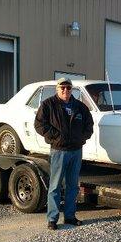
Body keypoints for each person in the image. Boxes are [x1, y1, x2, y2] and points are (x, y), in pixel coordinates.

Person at [34, 78, 93, 230]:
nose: (65, 90)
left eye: (68, 87)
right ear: (57, 89)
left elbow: (89, 125)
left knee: (72, 186)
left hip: (76, 151)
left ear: (71, 89)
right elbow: (39, 124)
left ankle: (70, 216)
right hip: (59, 151)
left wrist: (82, 137)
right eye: (62, 87)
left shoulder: (80, 107)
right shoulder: (48, 104)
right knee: (55, 186)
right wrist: (56, 137)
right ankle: (52, 219)